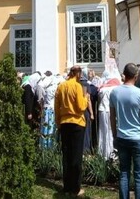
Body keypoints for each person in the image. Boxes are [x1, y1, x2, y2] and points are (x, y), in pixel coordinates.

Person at [110, 63, 140, 199]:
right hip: (138, 138)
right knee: (139, 176)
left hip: (122, 137)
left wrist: (115, 135)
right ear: (136, 76)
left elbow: (112, 117)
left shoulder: (115, 92)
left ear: (124, 75)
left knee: (124, 173)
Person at [54, 66, 88, 197]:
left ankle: (67, 186)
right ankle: (75, 188)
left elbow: (56, 107)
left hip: (64, 122)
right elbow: (80, 107)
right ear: (78, 74)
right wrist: (86, 98)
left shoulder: (61, 86)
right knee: (76, 156)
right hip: (77, 123)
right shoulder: (77, 86)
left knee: (66, 155)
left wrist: (58, 122)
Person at [97, 75, 120, 158]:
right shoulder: (115, 89)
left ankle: (102, 151)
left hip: (101, 111)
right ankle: (110, 151)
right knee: (110, 131)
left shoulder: (102, 89)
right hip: (110, 111)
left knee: (102, 131)